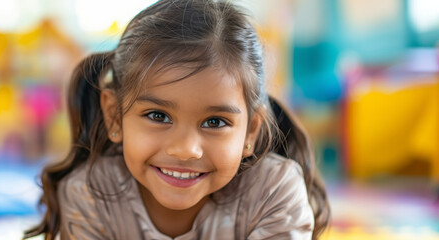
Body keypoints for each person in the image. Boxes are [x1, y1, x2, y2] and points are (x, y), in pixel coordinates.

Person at [25, 0, 330, 239]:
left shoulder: (273, 191)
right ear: (114, 116)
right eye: (158, 116)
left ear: (250, 131)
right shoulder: (90, 194)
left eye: (215, 122)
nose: (185, 150)